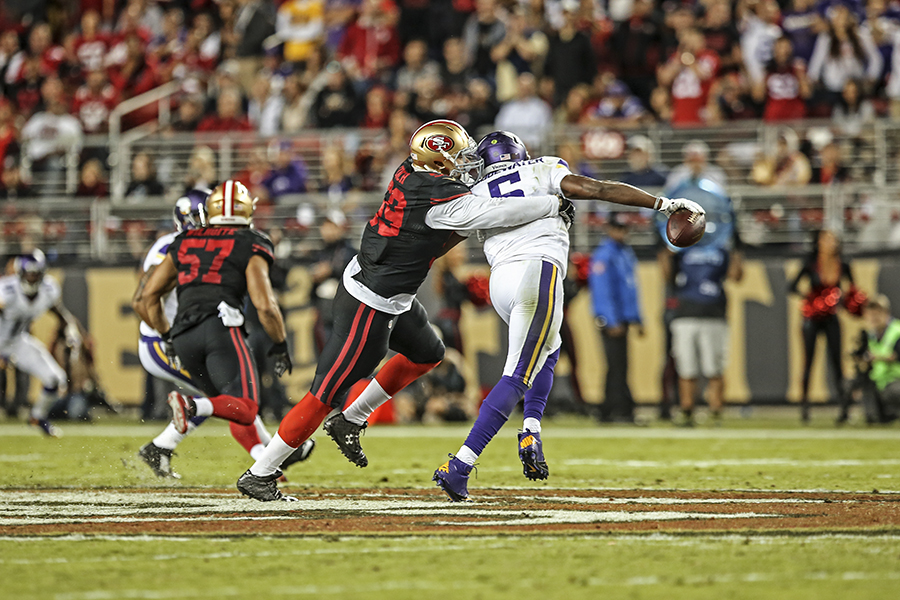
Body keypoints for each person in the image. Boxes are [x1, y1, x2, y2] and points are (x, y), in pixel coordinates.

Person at [326, 130, 703, 501]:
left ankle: (531, 429)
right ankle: (460, 465)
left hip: (501, 283)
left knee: (548, 347)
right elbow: (597, 189)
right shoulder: (544, 168)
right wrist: (663, 204)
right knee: (518, 373)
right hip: (537, 272)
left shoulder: (472, 191)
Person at [237, 119, 570, 501]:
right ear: (437, 159)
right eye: (457, 157)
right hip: (369, 303)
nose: (464, 164)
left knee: (428, 352)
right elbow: (494, 213)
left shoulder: (412, 171)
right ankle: (261, 472)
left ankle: (351, 419)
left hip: (391, 293)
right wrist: (552, 203)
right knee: (324, 393)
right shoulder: (436, 197)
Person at [132, 189, 313, 478]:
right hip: (177, 335)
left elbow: (148, 296)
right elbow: (142, 299)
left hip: (180, 333)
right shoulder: (176, 244)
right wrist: (165, 336)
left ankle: (267, 455)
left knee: (226, 402)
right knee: (231, 401)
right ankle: (269, 455)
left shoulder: (187, 242)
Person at [663, 178, 742, 427]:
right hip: (685, 311)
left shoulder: (721, 249)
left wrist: (736, 244)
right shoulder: (681, 248)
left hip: (714, 312)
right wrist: (664, 242)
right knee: (686, 367)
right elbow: (667, 275)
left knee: (714, 367)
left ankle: (716, 412)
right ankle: (687, 411)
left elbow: (737, 276)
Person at [0, 249, 82, 437]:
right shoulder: (7, 289)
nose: (32, 278)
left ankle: (37, 417)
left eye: (36, 274)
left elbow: (61, 315)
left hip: (17, 341)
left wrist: (71, 333)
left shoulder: (48, 288)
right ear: (20, 273)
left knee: (55, 379)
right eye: (29, 274)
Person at [789, 229, 856, 423]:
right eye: (826, 239)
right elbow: (792, 286)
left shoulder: (843, 265)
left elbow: (852, 290)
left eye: (833, 240)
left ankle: (844, 410)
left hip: (831, 318)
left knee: (837, 363)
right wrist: (810, 300)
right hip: (811, 318)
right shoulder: (811, 263)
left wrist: (842, 301)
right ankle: (805, 408)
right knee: (808, 362)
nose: (831, 243)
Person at [590, 213, 642, 423]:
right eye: (619, 228)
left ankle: (615, 409)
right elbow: (602, 291)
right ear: (609, 229)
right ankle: (614, 409)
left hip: (623, 318)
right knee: (615, 365)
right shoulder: (605, 255)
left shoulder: (625, 253)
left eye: (625, 228)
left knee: (620, 365)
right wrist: (610, 320)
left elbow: (630, 289)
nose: (622, 232)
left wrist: (637, 318)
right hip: (613, 320)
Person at [852, 294, 900, 423]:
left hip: (895, 380)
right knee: (851, 385)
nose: (874, 317)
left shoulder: (897, 330)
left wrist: (876, 357)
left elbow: (897, 355)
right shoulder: (870, 335)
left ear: (886, 313)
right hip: (878, 381)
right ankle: (883, 414)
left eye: (878, 313)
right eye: (871, 314)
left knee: (893, 392)